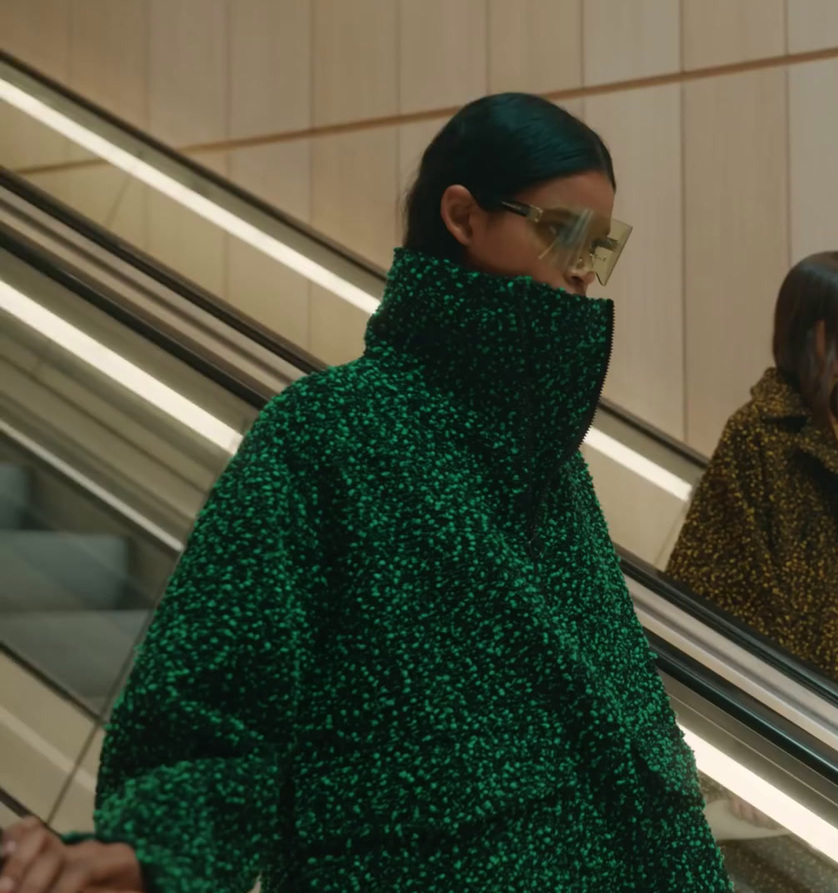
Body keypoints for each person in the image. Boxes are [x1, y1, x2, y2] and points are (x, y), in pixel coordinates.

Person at [0, 93, 730, 893]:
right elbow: (215, 694)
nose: (586, 267)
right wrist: (152, 852)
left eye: (604, 243)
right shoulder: (327, 435)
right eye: (565, 231)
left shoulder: (553, 473)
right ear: (463, 216)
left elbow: (635, 752)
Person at [669, 252, 838, 732]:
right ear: (813, 327)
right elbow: (716, 588)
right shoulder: (759, 436)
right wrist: (751, 731)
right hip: (805, 721)